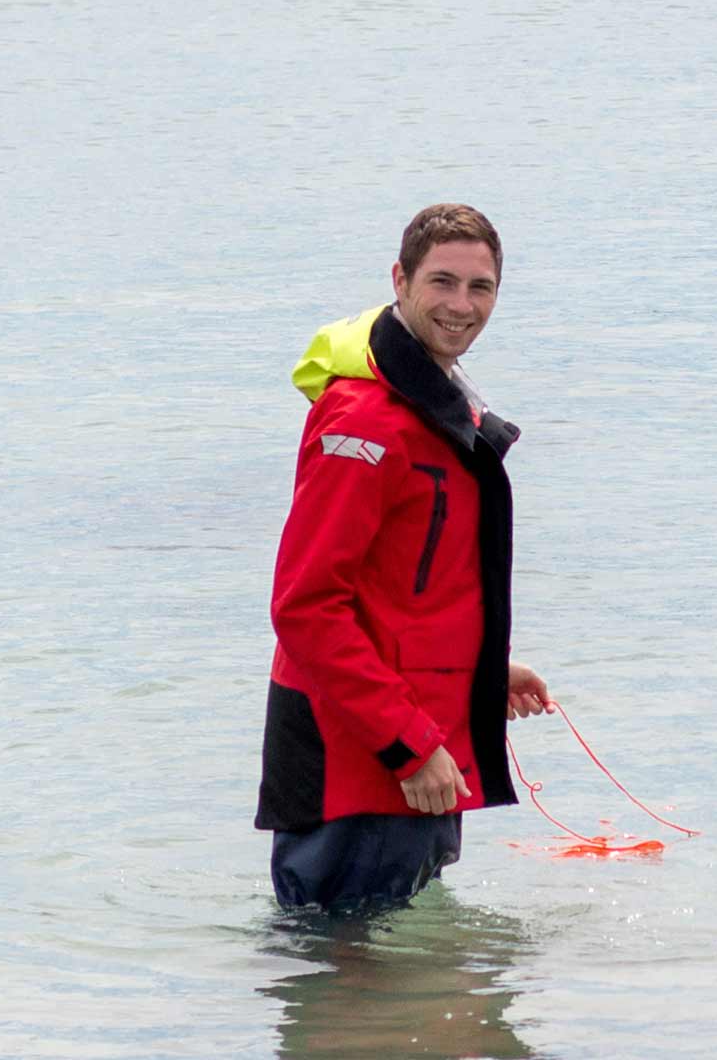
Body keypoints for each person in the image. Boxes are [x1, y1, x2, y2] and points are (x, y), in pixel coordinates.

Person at [255, 203, 555, 912]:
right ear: (400, 279)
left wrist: (481, 670)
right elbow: (305, 609)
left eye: (480, 288)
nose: (461, 306)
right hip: (358, 765)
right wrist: (409, 745)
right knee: (342, 973)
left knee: (395, 998)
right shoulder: (362, 419)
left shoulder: (434, 403)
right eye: (442, 282)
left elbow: (408, 586)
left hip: (412, 754)